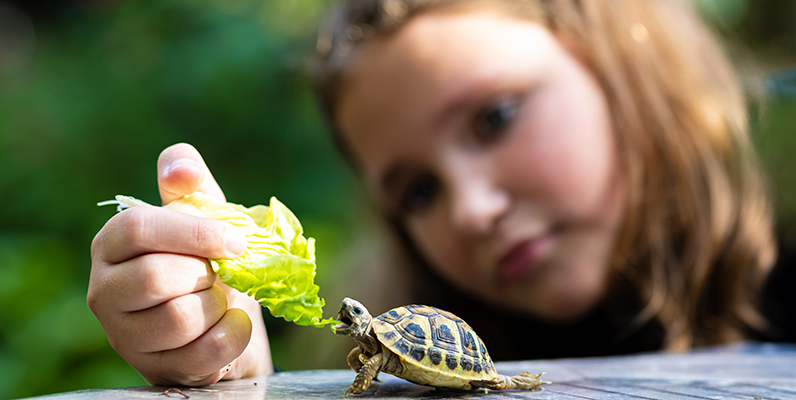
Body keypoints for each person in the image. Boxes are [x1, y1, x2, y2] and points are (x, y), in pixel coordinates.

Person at [88, 0, 788, 386]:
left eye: (496, 118)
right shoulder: (413, 329)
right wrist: (237, 372)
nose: (474, 210)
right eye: (417, 192)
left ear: (615, 61)